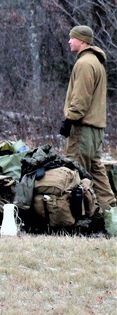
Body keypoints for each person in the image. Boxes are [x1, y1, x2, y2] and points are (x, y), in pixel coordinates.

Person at [61, 25, 115, 210]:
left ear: (82, 41)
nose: (69, 41)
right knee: (97, 171)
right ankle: (111, 212)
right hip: (95, 128)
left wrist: (70, 119)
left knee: (76, 172)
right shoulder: (96, 62)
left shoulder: (84, 64)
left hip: (82, 128)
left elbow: (81, 97)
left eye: (72, 38)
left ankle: (80, 217)